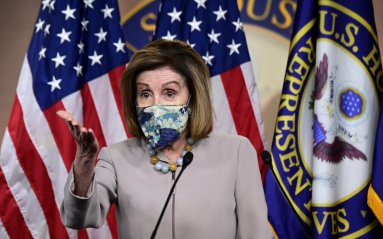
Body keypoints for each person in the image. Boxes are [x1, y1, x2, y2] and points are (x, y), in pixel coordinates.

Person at [59, 39, 273, 239]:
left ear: (192, 98)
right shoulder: (116, 158)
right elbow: (78, 218)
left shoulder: (236, 152)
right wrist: (85, 161)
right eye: (145, 94)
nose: (155, 104)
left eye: (169, 93)